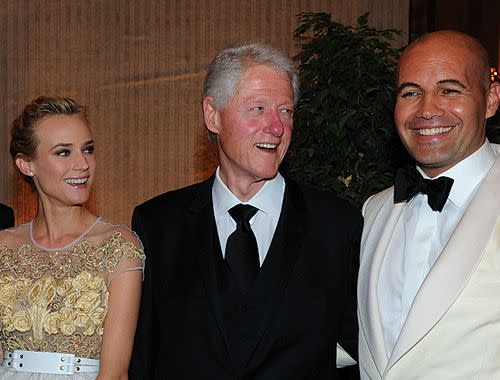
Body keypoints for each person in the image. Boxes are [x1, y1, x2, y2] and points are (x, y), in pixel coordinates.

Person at [129, 42, 362, 379]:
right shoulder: (157, 224)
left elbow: (356, 353)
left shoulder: (339, 225)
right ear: (213, 115)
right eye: (258, 109)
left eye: (286, 111)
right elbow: (143, 358)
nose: (277, 127)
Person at [358, 30, 500, 379]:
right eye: (410, 93)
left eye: (449, 90)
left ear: (491, 99)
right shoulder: (373, 210)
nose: (426, 110)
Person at [0, 96, 145, 379]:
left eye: (87, 149)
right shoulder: (3, 247)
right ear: (26, 165)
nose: (83, 164)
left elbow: (114, 374)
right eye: (64, 153)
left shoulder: (117, 246)